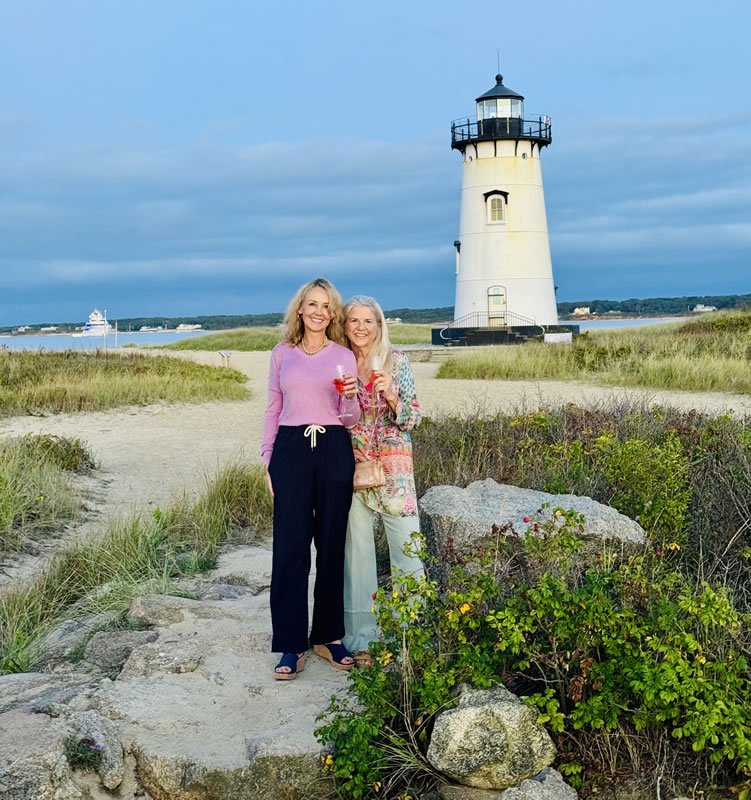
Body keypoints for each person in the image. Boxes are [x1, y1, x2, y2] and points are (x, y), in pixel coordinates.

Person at [262, 277, 361, 680]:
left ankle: (328, 636)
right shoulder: (282, 353)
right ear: (300, 309)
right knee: (290, 550)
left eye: (326, 306)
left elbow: (350, 418)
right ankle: (290, 642)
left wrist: (351, 397)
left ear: (332, 314)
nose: (319, 311)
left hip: (334, 447)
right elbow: (272, 408)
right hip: (291, 449)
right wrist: (268, 459)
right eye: (312, 304)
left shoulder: (343, 356)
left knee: (332, 545)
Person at [341, 296, 425, 665]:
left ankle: (414, 631)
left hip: (395, 470)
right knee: (356, 554)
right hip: (351, 466)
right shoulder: (338, 361)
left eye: (368, 321)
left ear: (379, 325)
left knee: (407, 549)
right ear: (344, 325)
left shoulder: (398, 360)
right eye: (353, 321)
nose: (360, 328)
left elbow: (413, 418)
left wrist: (391, 394)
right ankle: (362, 639)